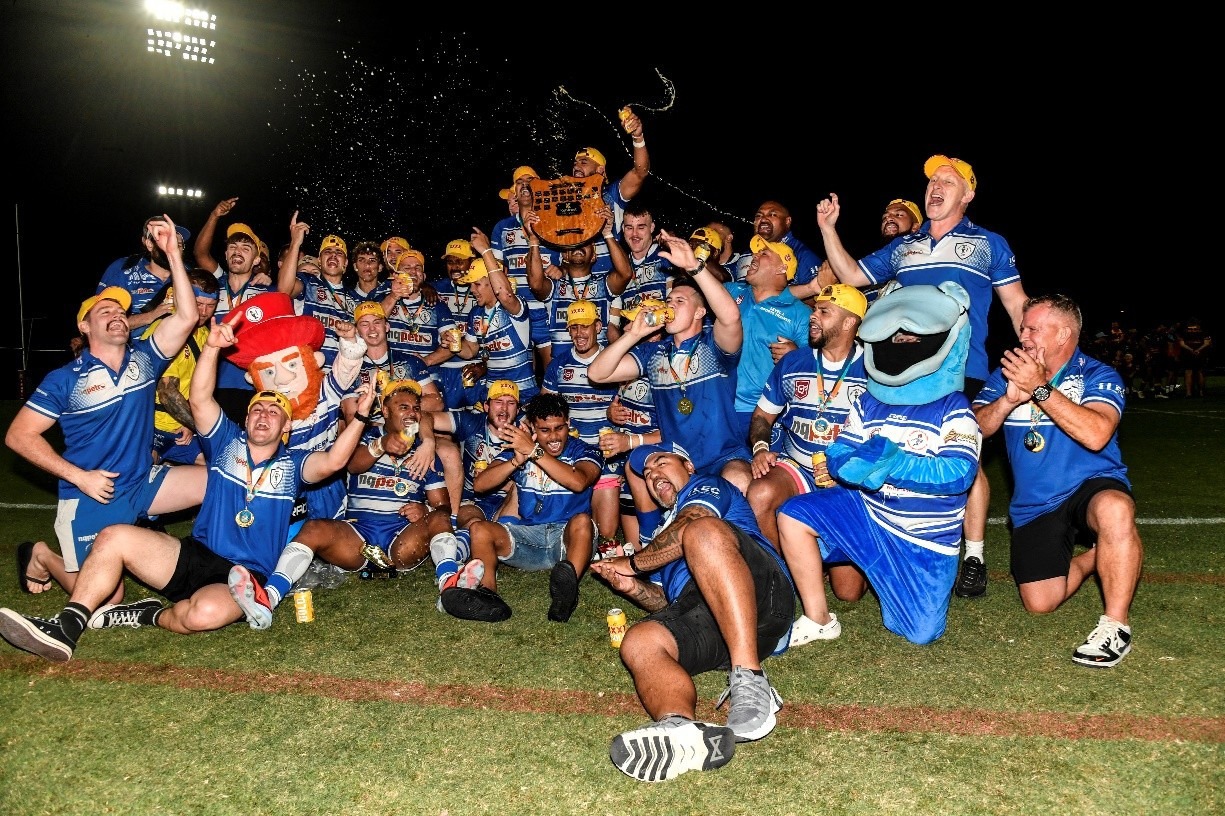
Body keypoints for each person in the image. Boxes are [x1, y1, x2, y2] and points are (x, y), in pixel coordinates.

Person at [0, 322, 376, 662]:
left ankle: (148, 614)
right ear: (246, 419)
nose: (263, 416)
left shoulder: (295, 463)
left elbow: (333, 461)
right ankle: (66, 626)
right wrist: (211, 348)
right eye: (257, 410)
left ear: (286, 429)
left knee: (203, 615)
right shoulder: (226, 442)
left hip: (248, 574)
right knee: (113, 537)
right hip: (195, 554)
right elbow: (200, 399)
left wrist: (359, 417)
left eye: (274, 413)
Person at [815, 155, 1029, 601]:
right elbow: (853, 276)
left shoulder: (989, 243)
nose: (936, 186)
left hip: (957, 370)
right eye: (932, 180)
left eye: (948, 181)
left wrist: (1037, 346)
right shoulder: (905, 247)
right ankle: (895, 538)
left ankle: (972, 556)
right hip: (896, 371)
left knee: (960, 450)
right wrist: (829, 229)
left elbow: (1016, 304)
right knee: (900, 448)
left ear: (967, 194)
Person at [9, 216, 206, 598]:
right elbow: (19, 436)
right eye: (105, 313)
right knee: (105, 601)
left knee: (224, 480)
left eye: (120, 314)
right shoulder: (64, 379)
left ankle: (211, 560)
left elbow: (186, 315)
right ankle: (41, 556)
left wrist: (172, 255)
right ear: (84, 326)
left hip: (141, 482)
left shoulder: (145, 360)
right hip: (91, 493)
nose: (117, 317)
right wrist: (79, 476)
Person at [777, 283, 980, 646]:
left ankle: (890, 581)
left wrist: (896, 463)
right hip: (869, 518)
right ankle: (818, 618)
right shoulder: (869, 401)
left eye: (910, 337)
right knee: (793, 513)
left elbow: (959, 473)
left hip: (922, 540)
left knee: (920, 634)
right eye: (895, 336)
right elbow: (840, 449)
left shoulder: (954, 408)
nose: (901, 342)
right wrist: (845, 464)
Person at [590, 441, 794, 781]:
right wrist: (634, 587)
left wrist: (634, 563)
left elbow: (691, 526)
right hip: (709, 613)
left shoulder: (707, 486)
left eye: (661, 462)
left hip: (762, 596)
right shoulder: (658, 534)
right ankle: (678, 727)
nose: (654, 475)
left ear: (687, 466)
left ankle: (751, 679)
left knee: (700, 532)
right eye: (648, 474)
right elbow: (664, 600)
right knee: (639, 640)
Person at [973, 294, 1144, 667]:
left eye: (1033, 328)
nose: (1024, 336)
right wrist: (1007, 401)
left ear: (1064, 333)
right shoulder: (1006, 375)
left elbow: (1097, 433)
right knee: (1040, 603)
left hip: (1090, 484)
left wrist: (1039, 390)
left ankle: (1115, 625)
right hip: (1035, 502)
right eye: (1023, 328)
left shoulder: (1098, 374)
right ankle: (1096, 558)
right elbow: (974, 430)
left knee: (1115, 508)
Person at [228, 378, 452, 628]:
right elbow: (352, 464)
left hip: (402, 538)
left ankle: (450, 588)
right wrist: (381, 445)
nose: (411, 413)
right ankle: (268, 598)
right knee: (314, 528)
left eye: (416, 408)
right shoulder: (362, 439)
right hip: (357, 536)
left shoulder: (425, 453)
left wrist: (426, 509)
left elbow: (443, 508)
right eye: (403, 406)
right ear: (386, 411)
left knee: (440, 520)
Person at [588, 231, 751, 542]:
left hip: (723, 456)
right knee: (639, 467)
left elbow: (730, 317)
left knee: (738, 480)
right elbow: (597, 372)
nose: (670, 305)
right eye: (668, 300)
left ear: (701, 312)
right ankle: (652, 538)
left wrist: (695, 268)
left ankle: (740, 550)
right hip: (677, 458)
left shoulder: (713, 347)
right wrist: (633, 334)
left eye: (680, 300)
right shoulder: (654, 353)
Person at [441, 393, 601, 624]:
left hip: (567, 541)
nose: (554, 436)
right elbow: (480, 484)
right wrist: (516, 461)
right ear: (532, 428)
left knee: (583, 522)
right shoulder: (519, 451)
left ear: (569, 424)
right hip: (529, 538)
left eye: (560, 428)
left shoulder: (584, 450)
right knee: (480, 530)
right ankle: (488, 595)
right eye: (545, 430)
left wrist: (535, 452)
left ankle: (567, 592)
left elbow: (578, 482)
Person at [745, 284, 868, 562]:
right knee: (761, 492)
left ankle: (821, 552)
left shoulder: (874, 369)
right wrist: (761, 448)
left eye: (825, 312)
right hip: (798, 466)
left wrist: (852, 469)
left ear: (849, 322)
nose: (813, 316)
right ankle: (781, 574)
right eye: (815, 310)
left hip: (848, 477)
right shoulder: (793, 363)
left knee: (848, 591)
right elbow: (762, 416)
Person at [541, 299, 623, 550]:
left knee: (606, 534)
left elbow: (631, 401)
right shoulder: (559, 363)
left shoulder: (616, 359)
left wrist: (618, 413)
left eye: (585, 326)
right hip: (572, 452)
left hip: (606, 450)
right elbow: (545, 408)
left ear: (598, 326)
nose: (579, 333)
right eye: (574, 327)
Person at [726, 235, 813, 442]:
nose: (755, 256)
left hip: (763, 414)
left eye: (764, 254)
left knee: (758, 472)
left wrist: (796, 356)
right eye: (756, 252)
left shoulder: (800, 314)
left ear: (781, 269)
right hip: (717, 406)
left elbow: (818, 367)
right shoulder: (730, 291)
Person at [524, 205, 633, 361]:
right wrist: (534, 240)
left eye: (585, 242)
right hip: (564, 369)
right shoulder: (556, 286)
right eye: (573, 242)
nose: (578, 245)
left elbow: (626, 273)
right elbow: (535, 284)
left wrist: (607, 233)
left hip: (599, 367)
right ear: (565, 255)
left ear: (594, 255)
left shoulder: (603, 285)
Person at [141, 268, 221, 465]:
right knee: (140, 474)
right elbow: (167, 393)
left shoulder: (203, 334)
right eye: (198, 303)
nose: (203, 312)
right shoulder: (168, 330)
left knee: (218, 467)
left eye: (210, 306)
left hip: (180, 427)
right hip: (151, 428)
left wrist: (190, 425)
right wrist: (200, 426)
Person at [488, 166, 558, 374]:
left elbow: (571, 259)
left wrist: (561, 267)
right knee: (522, 372)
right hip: (518, 310)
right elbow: (497, 269)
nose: (525, 185)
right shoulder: (502, 227)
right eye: (520, 182)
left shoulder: (555, 221)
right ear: (515, 192)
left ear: (541, 188)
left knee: (551, 370)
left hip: (547, 308)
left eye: (531, 181)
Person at [568, 107, 649, 274]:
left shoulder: (613, 194)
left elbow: (640, 172)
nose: (576, 166)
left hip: (611, 282)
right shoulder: (565, 199)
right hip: (575, 281)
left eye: (584, 162)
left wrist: (637, 137)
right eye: (575, 163)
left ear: (600, 171)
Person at [452, 255, 537, 407]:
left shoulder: (512, 307)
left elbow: (505, 295)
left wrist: (485, 250)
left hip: (521, 394)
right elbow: (470, 350)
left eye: (477, 284)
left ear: (492, 283)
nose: (472, 290)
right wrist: (454, 343)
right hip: (492, 392)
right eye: (471, 284)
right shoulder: (476, 313)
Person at [97, 215, 194, 330]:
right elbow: (102, 319)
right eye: (166, 242)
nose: (172, 248)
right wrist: (150, 316)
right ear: (149, 244)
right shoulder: (125, 273)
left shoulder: (191, 276)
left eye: (178, 245)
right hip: (133, 346)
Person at [1176, 317, 1212, 398]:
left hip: (1191, 354)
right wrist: (1196, 350)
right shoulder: (1203, 332)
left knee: (1190, 372)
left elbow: (1182, 344)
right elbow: (1207, 343)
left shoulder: (1185, 332)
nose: (1192, 331)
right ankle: (1200, 392)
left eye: (1194, 329)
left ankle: (1189, 393)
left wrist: (1193, 350)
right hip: (1197, 354)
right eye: (1191, 329)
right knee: (1199, 372)